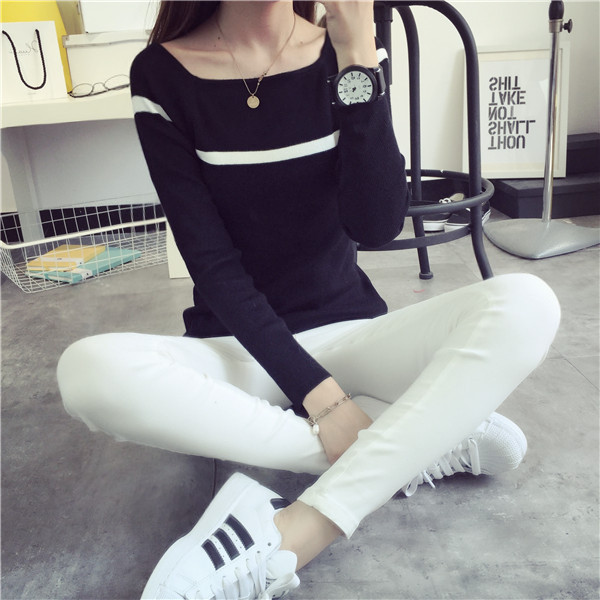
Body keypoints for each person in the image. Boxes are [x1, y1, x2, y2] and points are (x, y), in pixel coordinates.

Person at [56, 1, 561, 598]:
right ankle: (415, 441)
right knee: (87, 372)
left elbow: (376, 225)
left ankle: (296, 531)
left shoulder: (343, 58)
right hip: (238, 350)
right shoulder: (162, 74)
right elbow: (213, 267)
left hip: (351, 337)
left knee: (527, 302)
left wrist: (357, 56)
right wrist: (323, 401)